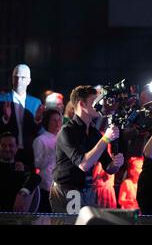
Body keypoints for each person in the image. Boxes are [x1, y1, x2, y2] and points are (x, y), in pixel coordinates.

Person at [50, 85, 124, 213]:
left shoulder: (94, 133)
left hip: (86, 189)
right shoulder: (66, 131)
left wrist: (116, 163)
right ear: (82, 104)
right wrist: (106, 139)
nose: (99, 105)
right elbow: (83, 164)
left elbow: (109, 168)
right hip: (68, 190)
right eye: (94, 101)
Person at [0, 64, 45, 168]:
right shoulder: (2, 99)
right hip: (7, 151)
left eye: (23, 77)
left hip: (29, 151)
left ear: (28, 81)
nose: (19, 80)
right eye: (16, 77)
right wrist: (5, 119)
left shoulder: (35, 102)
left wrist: (38, 120)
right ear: (12, 79)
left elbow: (38, 131)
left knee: (28, 182)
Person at [0, 132, 41, 212]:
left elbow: (36, 178)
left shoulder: (21, 168)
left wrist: (22, 193)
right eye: (3, 145)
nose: (7, 149)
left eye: (11, 145)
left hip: (14, 215)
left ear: (16, 148)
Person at [32, 109, 62, 212]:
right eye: (54, 120)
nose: (57, 123)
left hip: (61, 186)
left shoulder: (62, 138)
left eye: (59, 120)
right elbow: (38, 164)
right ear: (47, 122)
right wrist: (52, 152)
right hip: (46, 185)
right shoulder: (41, 140)